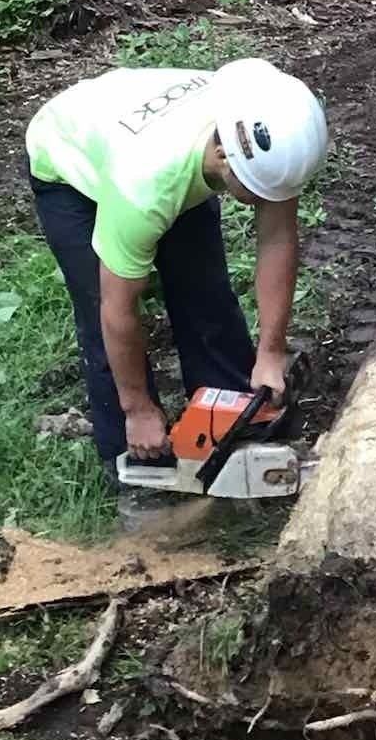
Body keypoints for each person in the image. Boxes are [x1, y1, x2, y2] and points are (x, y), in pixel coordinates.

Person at [25, 57, 328, 477]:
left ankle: (229, 419)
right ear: (223, 157)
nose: (267, 201)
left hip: (141, 130)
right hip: (68, 156)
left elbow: (277, 238)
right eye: (259, 190)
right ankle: (131, 457)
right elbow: (118, 311)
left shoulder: (261, 128)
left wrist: (271, 353)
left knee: (203, 289)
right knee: (102, 309)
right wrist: (138, 409)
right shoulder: (143, 186)